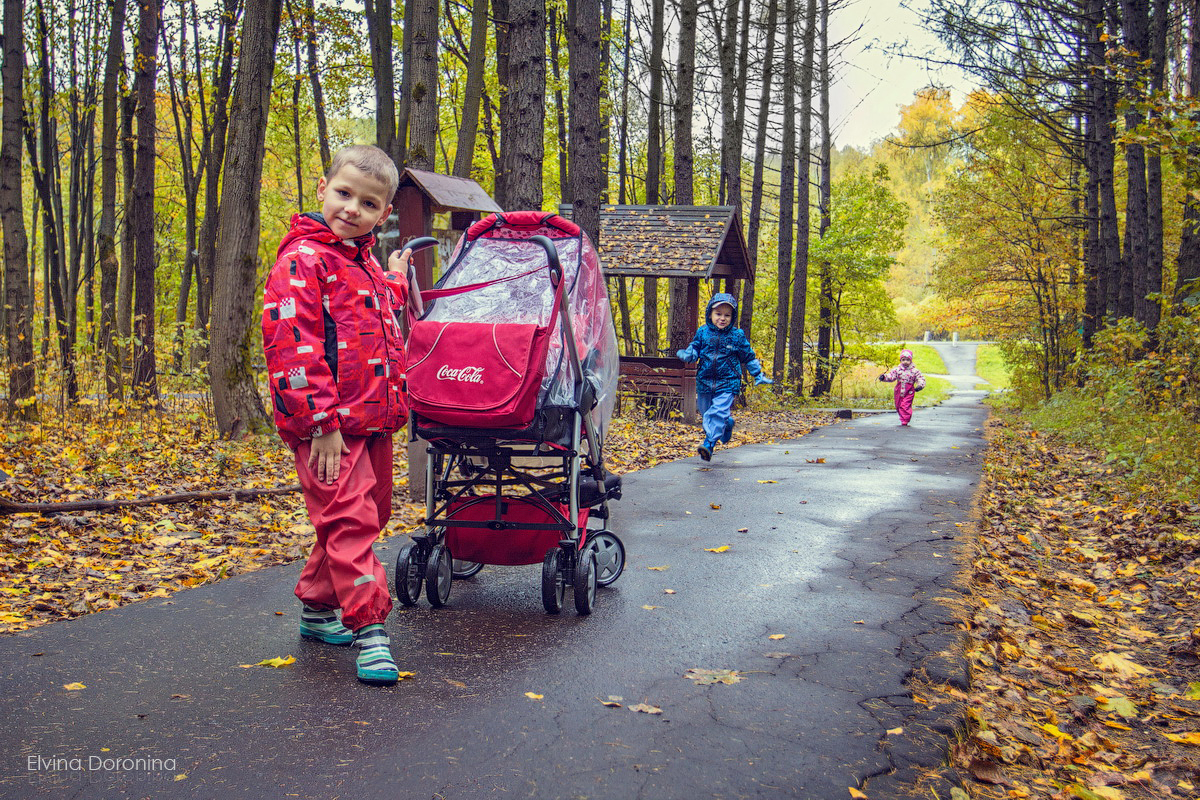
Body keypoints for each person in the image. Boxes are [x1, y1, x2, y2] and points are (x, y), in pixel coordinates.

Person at [261, 144, 421, 686]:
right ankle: (371, 633)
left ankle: (316, 608)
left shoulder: (364, 264)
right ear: (324, 188)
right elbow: (293, 348)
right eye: (343, 194)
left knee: (364, 516)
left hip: (371, 421)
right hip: (326, 428)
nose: (352, 209)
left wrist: (394, 277)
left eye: (369, 203)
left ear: (383, 213)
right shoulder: (302, 262)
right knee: (349, 521)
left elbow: (372, 314)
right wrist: (322, 425)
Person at [676, 293, 773, 461]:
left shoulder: (737, 336)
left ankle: (709, 445)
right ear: (710, 314)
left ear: (732, 317)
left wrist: (757, 374)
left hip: (728, 382)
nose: (722, 318)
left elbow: (748, 356)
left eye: (727, 315)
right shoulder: (703, 332)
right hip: (705, 381)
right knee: (707, 415)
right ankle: (727, 424)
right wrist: (688, 354)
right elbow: (695, 348)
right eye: (718, 314)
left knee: (717, 412)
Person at [878, 348, 926, 426]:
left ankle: (905, 420)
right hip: (899, 390)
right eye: (903, 359)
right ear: (900, 360)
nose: (905, 362)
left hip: (909, 390)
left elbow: (920, 378)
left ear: (911, 360)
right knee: (898, 405)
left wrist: (920, 385)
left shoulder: (914, 371)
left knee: (905, 405)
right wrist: (884, 377)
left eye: (907, 360)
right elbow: (891, 376)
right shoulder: (897, 370)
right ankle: (902, 417)